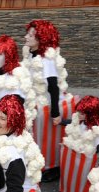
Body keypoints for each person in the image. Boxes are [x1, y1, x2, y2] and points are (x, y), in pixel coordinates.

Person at [21, 20, 74, 183]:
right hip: (33, 99)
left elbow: (53, 86)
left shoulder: (47, 59)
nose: (26, 37)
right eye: (28, 34)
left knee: (46, 139)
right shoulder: (31, 52)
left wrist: (56, 114)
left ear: (41, 39)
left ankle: (52, 167)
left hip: (46, 104)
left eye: (31, 35)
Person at [60, 96, 99, 192]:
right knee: (75, 179)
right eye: (78, 111)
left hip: (86, 162)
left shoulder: (97, 131)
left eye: (82, 113)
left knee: (83, 181)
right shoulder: (82, 120)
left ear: (91, 114)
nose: (78, 114)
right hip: (77, 157)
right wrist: (62, 121)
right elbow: (73, 123)